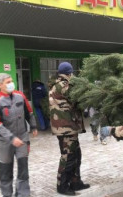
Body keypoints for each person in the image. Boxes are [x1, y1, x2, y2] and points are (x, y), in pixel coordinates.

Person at [0, 73, 38, 197]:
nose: (11, 84)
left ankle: (23, 194)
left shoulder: (20, 95)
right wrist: (11, 138)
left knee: (23, 168)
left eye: (11, 81)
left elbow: (29, 111)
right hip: (5, 142)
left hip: (22, 137)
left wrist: (33, 126)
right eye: (8, 82)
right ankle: (7, 194)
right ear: (0, 85)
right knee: (5, 170)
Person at [49, 62, 90, 195]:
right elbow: (77, 99)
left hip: (68, 127)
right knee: (68, 157)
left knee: (76, 154)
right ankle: (62, 186)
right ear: (69, 73)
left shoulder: (59, 84)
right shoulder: (64, 85)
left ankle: (75, 182)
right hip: (65, 128)